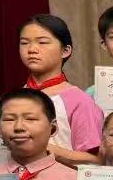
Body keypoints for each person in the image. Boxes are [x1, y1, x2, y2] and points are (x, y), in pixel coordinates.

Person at [18, 14, 102, 167]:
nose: (31, 49)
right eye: (24, 43)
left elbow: (95, 160)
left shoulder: (79, 100)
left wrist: (45, 149)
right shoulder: (16, 98)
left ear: (65, 51)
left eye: (42, 42)